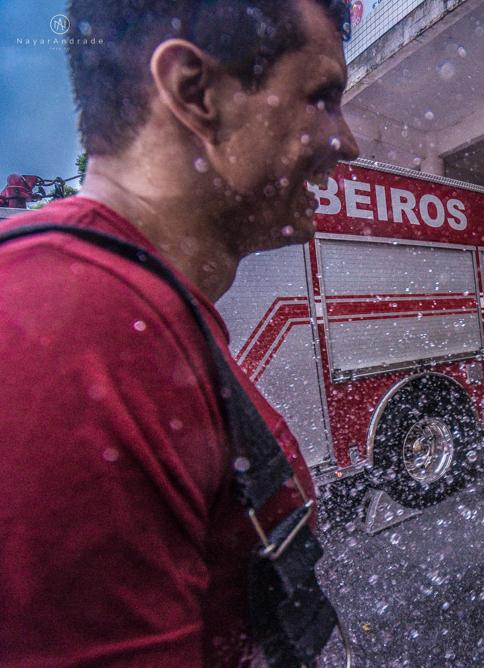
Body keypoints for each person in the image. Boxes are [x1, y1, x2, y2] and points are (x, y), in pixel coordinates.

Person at [0, 0, 358, 666]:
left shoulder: (125, 307)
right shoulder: (73, 333)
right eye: (323, 97)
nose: (348, 139)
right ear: (197, 93)